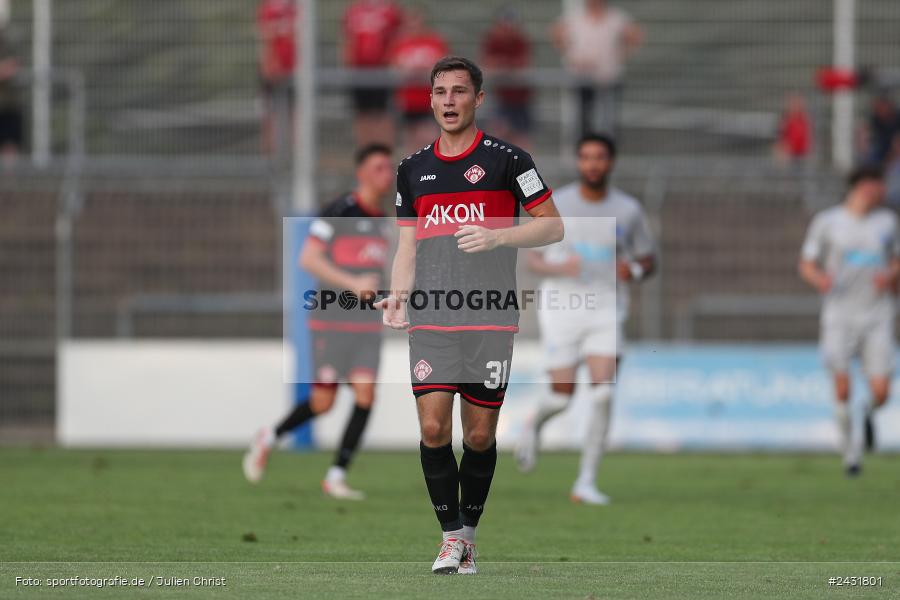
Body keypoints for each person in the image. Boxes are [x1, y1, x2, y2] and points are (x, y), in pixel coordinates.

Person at [375, 56, 563, 574]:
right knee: (434, 429)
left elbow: (553, 227)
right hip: (432, 316)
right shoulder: (412, 169)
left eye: (460, 91)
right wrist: (397, 295)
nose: (450, 101)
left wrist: (499, 234)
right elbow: (407, 246)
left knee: (478, 437)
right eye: (441, 92)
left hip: (490, 317)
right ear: (430, 100)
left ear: (479, 99)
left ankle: (470, 537)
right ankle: (450, 539)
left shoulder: (510, 161)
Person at [243, 144, 395, 499]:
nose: (386, 175)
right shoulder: (338, 211)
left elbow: (372, 272)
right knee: (323, 402)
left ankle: (336, 475)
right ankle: (270, 436)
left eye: (388, 168)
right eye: (378, 168)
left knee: (366, 393)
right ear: (361, 173)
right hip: (332, 321)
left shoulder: (382, 221)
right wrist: (353, 284)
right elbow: (309, 259)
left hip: (366, 325)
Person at [515, 133, 656, 504]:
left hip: (606, 310)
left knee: (604, 393)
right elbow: (533, 259)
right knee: (562, 398)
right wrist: (560, 268)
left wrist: (634, 272)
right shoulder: (558, 203)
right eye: (586, 157)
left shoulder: (628, 209)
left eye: (600, 157)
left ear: (610, 162)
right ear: (578, 162)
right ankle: (534, 424)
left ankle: (586, 482)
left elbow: (647, 258)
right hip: (562, 309)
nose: (593, 164)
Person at [799, 166, 900, 477]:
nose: (878, 191)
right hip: (840, 314)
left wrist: (891, 275)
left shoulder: (888, 222)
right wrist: (819, 279)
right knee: (842, 388)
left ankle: (867, 413)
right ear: (858, 187)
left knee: (882, 391)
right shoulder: (828, 222)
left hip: (877, 314)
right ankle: (851, 455)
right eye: (873, 184)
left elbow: (897, 258)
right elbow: (806, 263)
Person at [551, 0, 643, 136]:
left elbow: (635, 35)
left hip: (608, 77)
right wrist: (571, 56)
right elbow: (555, 33)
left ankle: (607, 150)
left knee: (608, 119)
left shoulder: (616, 17)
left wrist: (621, 56)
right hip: (582, 77)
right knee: (583, 119)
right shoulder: (575, 16)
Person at [342, 0, 404, 146]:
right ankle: (365, 153)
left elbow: (398, 37)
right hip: (359, 72)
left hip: (381, 71)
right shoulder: (354, 10)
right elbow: (347, 40)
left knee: (382, 114)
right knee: (362, 114)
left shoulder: (389, 10)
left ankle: (383, 152)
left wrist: (392, 63)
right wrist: (348, 64)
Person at [388, 7, 448, 154]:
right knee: (411, 142)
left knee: (429, 139)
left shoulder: (434, 42)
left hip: (429, 100)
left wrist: (423, 72)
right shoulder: (400, 44)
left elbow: (444, 67)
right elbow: (393, 69)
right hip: (409, 101)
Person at [480, 7, 533, 148]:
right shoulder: (493, 41)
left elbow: (523, 64)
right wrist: (505, 65)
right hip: (500, 97)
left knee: (521, 140)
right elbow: (488, 64)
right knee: (496, 137)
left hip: (520, 98)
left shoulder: (520, 41)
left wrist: (504, 64)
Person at [256, 0, 297, 157]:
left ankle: (294, 157)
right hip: (272, 71)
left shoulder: (296, 8)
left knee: (294, 113)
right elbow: (266, 38)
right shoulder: (269, 8)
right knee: (270, 114)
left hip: (293, 72)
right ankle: (270, 158)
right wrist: (271, 63)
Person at [0, 29, 23, 169]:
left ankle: (9, 186)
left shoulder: (9, 46)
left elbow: (14, 65)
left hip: (9, 107)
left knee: (10, 147)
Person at [774, 92, 812, 166]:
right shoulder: (786, 120)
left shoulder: (803, 119)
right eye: (792, 103)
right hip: (789, 155)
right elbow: (781, 136)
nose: (793, 106)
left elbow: (804, 139)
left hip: (800, 154)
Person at [864, 94, 900, 167]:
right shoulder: (875, 121)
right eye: (877, 109)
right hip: (881, 150)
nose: (880, 111)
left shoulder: (897, 119)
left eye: (882, 108)